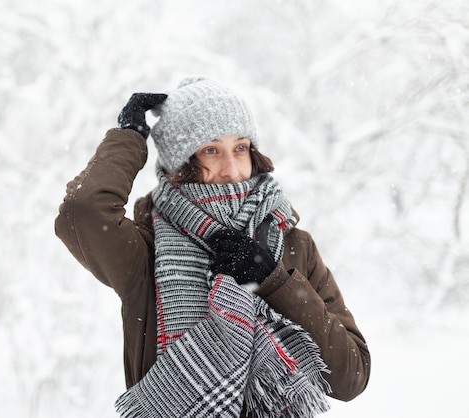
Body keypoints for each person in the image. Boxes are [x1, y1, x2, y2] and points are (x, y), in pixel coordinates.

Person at [55, 77, 370, 418]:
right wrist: (128, 139)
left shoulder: (293, 244)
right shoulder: (148, 251)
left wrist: (274, 281)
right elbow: (82, 213)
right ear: (180, 163)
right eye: (210, 150)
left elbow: (351, 376)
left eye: (240, 148)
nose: (231, 169)